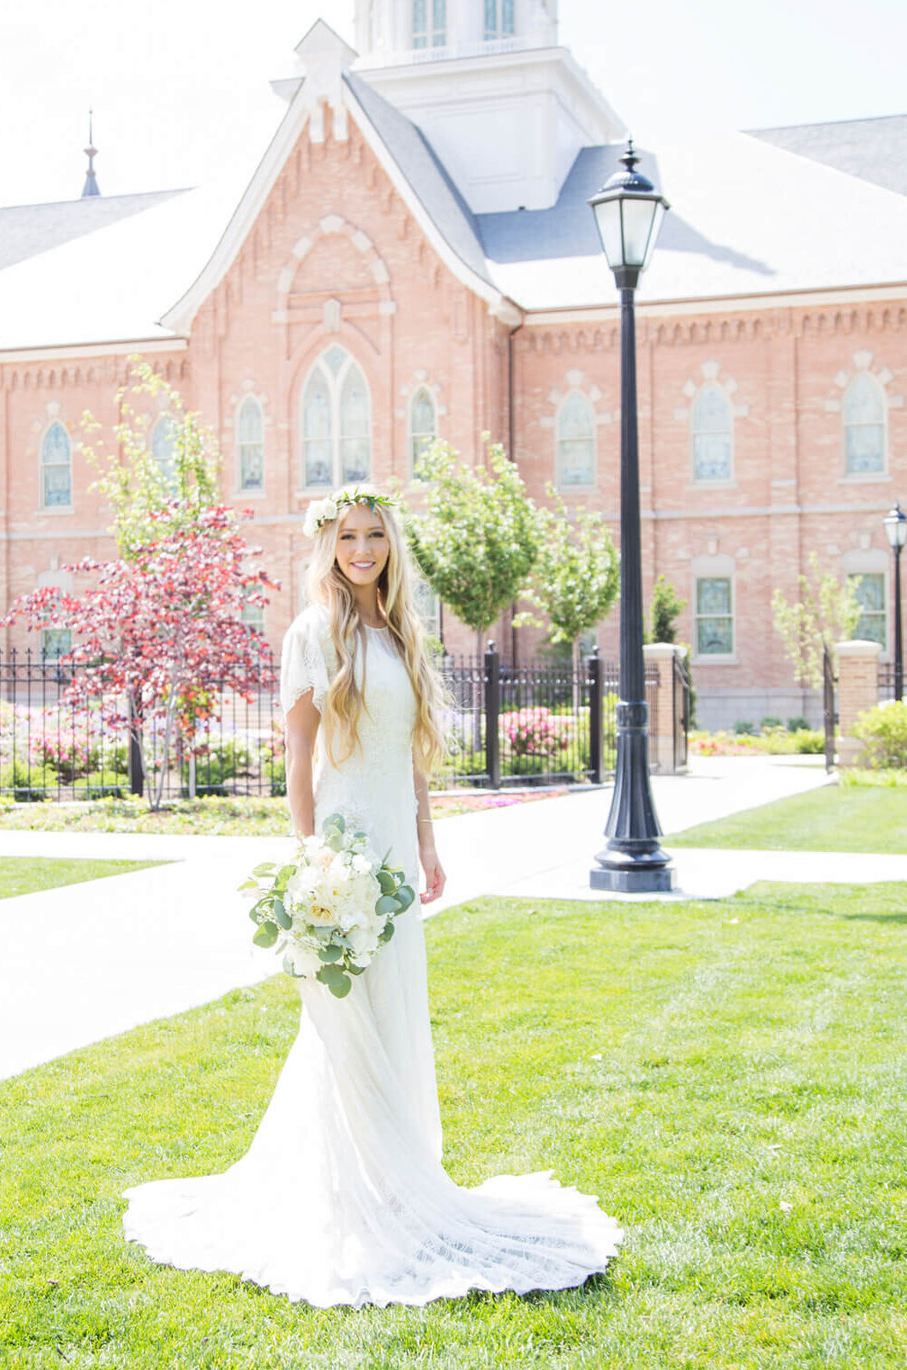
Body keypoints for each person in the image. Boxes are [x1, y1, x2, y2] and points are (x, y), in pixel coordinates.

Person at [122, 485, 621, 1307]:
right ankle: (349, 1194)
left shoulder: (400, 632)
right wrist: (310, 856)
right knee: (342, 1023)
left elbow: (412, 754)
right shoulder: (314, 633)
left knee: (392, 1012)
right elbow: (297, 753)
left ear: (392, 546)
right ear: (328, 545)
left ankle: (396, 1178)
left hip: (393, 841)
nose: (362, 550)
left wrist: (427, 840)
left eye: (375, 536)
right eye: (349, 536)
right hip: (345, 853)